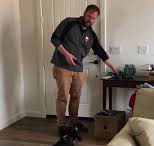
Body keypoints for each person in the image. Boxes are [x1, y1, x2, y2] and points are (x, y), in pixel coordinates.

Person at [51, 4, 121, 135]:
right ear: (84, 13)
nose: (90, 20)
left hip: (78, 69)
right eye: (89, 16)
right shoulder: (69, 22)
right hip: (62, 66)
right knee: (62, 98)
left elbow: (100, 52)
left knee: (76, 97)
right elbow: (54, 38)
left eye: (94, 18)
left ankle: (74, 122)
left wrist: (114, 67)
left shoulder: (91, 35)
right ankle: (61, 126)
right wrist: (66, 54)